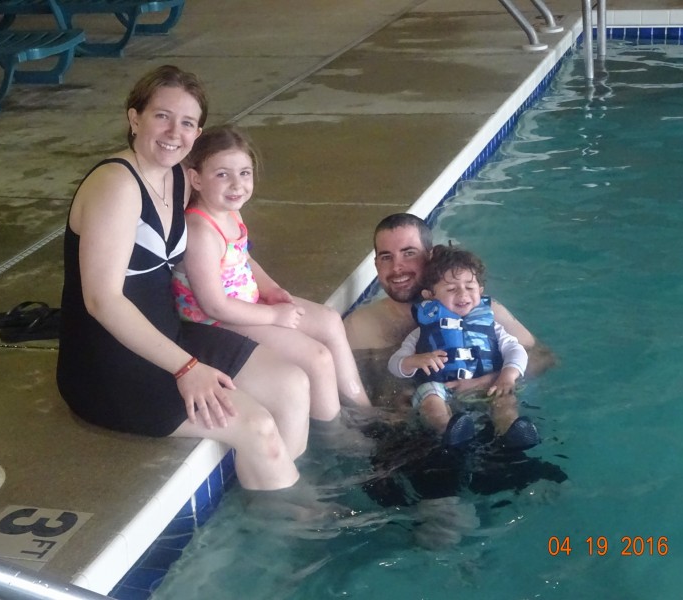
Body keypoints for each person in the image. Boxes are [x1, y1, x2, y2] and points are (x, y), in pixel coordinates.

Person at [56, 66, 312, 492]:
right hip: (111, 365)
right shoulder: (116, 185)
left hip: (170, 334)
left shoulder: (177, 176)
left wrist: (262, 289)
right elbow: (102, 300)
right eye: (162, 116)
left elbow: (225, 231)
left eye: (188, 122)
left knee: (292, 384)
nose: (175, 132)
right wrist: (187, 367)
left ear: (198, 132)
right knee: (258, 428)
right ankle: (281, 520)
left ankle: (282, 492)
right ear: (134, 118)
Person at [172, 124, 371, 426]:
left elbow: (245, 259)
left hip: (246, 306)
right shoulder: (201, 230)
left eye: (244, 173)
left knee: (330, 320)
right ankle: (336, 437)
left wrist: (271, 289)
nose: (237, 184)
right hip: (216, 323)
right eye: (222, 174)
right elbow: (214, 305)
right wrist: (275, 316)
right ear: (196, 179)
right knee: (316, 358)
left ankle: (365, 412)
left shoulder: (230, 212)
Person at [343, 213, 556, 406]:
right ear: (377, 265)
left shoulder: (483, 310)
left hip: (487, 408)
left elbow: (543, 358)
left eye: (409, 253)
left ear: (430, 256)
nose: (397, 267)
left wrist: (488, 381)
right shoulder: (361, 326)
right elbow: (351, 399)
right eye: (386, 257)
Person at [388, 244, 540, 450]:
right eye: (451, 289)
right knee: (430, 399)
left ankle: (510, 428)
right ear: (430, 295)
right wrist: (414, 361)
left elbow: (516, 350)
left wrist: (507, 376)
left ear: (480, 291)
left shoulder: (491, 326)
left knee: (504, 398)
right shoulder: (423, 331)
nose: (463, 294)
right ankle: (448, 429)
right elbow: (395, 364)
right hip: (443, 388)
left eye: (470, 287)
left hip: (486, 385)